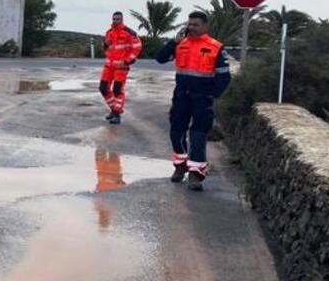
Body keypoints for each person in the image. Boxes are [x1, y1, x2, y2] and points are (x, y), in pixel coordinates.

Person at [154, 10, 232, 191]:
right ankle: (180, 166)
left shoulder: (216, 47)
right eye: (190, 24)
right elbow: (160, 58)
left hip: (203, 99)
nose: (192, 28)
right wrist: (174, 42)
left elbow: (224, 77)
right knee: (176, 132)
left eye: (196, 25)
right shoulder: (181, 44)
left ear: (205, 26)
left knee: (197, 136)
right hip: (181, 96)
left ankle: (196, 174)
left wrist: (214, 96)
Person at [99, 11, 143, 124]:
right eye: (114, 19)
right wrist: (104, 44)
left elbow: (137, 47)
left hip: (121, 67)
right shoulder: (109, 32)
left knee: (117, 90)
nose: (115, 21)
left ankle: (116, 114)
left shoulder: (129, 33)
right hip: (108, 66)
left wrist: (128, 60)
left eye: (118, 19)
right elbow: (106, 49)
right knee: (103, 88)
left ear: (122, 20)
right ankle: (114, 110)